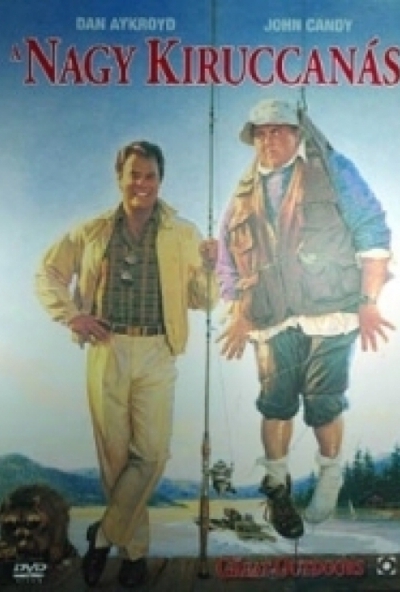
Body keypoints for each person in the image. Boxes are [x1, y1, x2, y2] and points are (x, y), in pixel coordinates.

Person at [35, 140, 218, 588]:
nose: (142, 184)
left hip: (158, 349)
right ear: (120, 177)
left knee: (152, 454)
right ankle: (134, 554)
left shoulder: (184, 232)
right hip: (106, 348)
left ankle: (103, 537)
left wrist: (211, 268)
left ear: (160, 180)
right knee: (115, 461)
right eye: (134, 174)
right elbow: (48, 273)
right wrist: (73, 315)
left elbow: (204, 300)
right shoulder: (92, 230)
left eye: (150, 175)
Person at [216, 98, 394, 540]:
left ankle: (330, 473)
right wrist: (238, 311)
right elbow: (226, 258)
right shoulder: (243, 192)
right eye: (260, 133)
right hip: (271, 318)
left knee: (323, 402)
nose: (269, 140)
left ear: (297, 132)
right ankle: (277, 486)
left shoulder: (334, 169)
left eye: (278, 130)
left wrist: (369, 301)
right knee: (275, 402)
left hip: (331, 312)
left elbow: (371, 227)